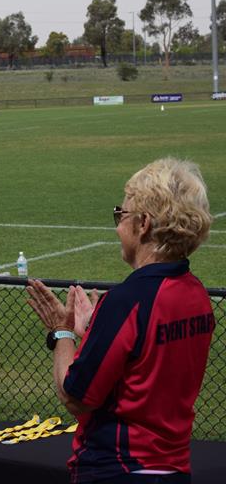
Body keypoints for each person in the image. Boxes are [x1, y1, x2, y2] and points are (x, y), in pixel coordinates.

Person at [26, 158, 215, 484]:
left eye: (121, 215)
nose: (117, 226)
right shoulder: (196, 295)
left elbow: (76, 397)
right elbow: (147, 362)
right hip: (173, 468)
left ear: (143, 224)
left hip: (118, 469)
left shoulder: (128, 300)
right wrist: (96, 332)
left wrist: (63, 332)